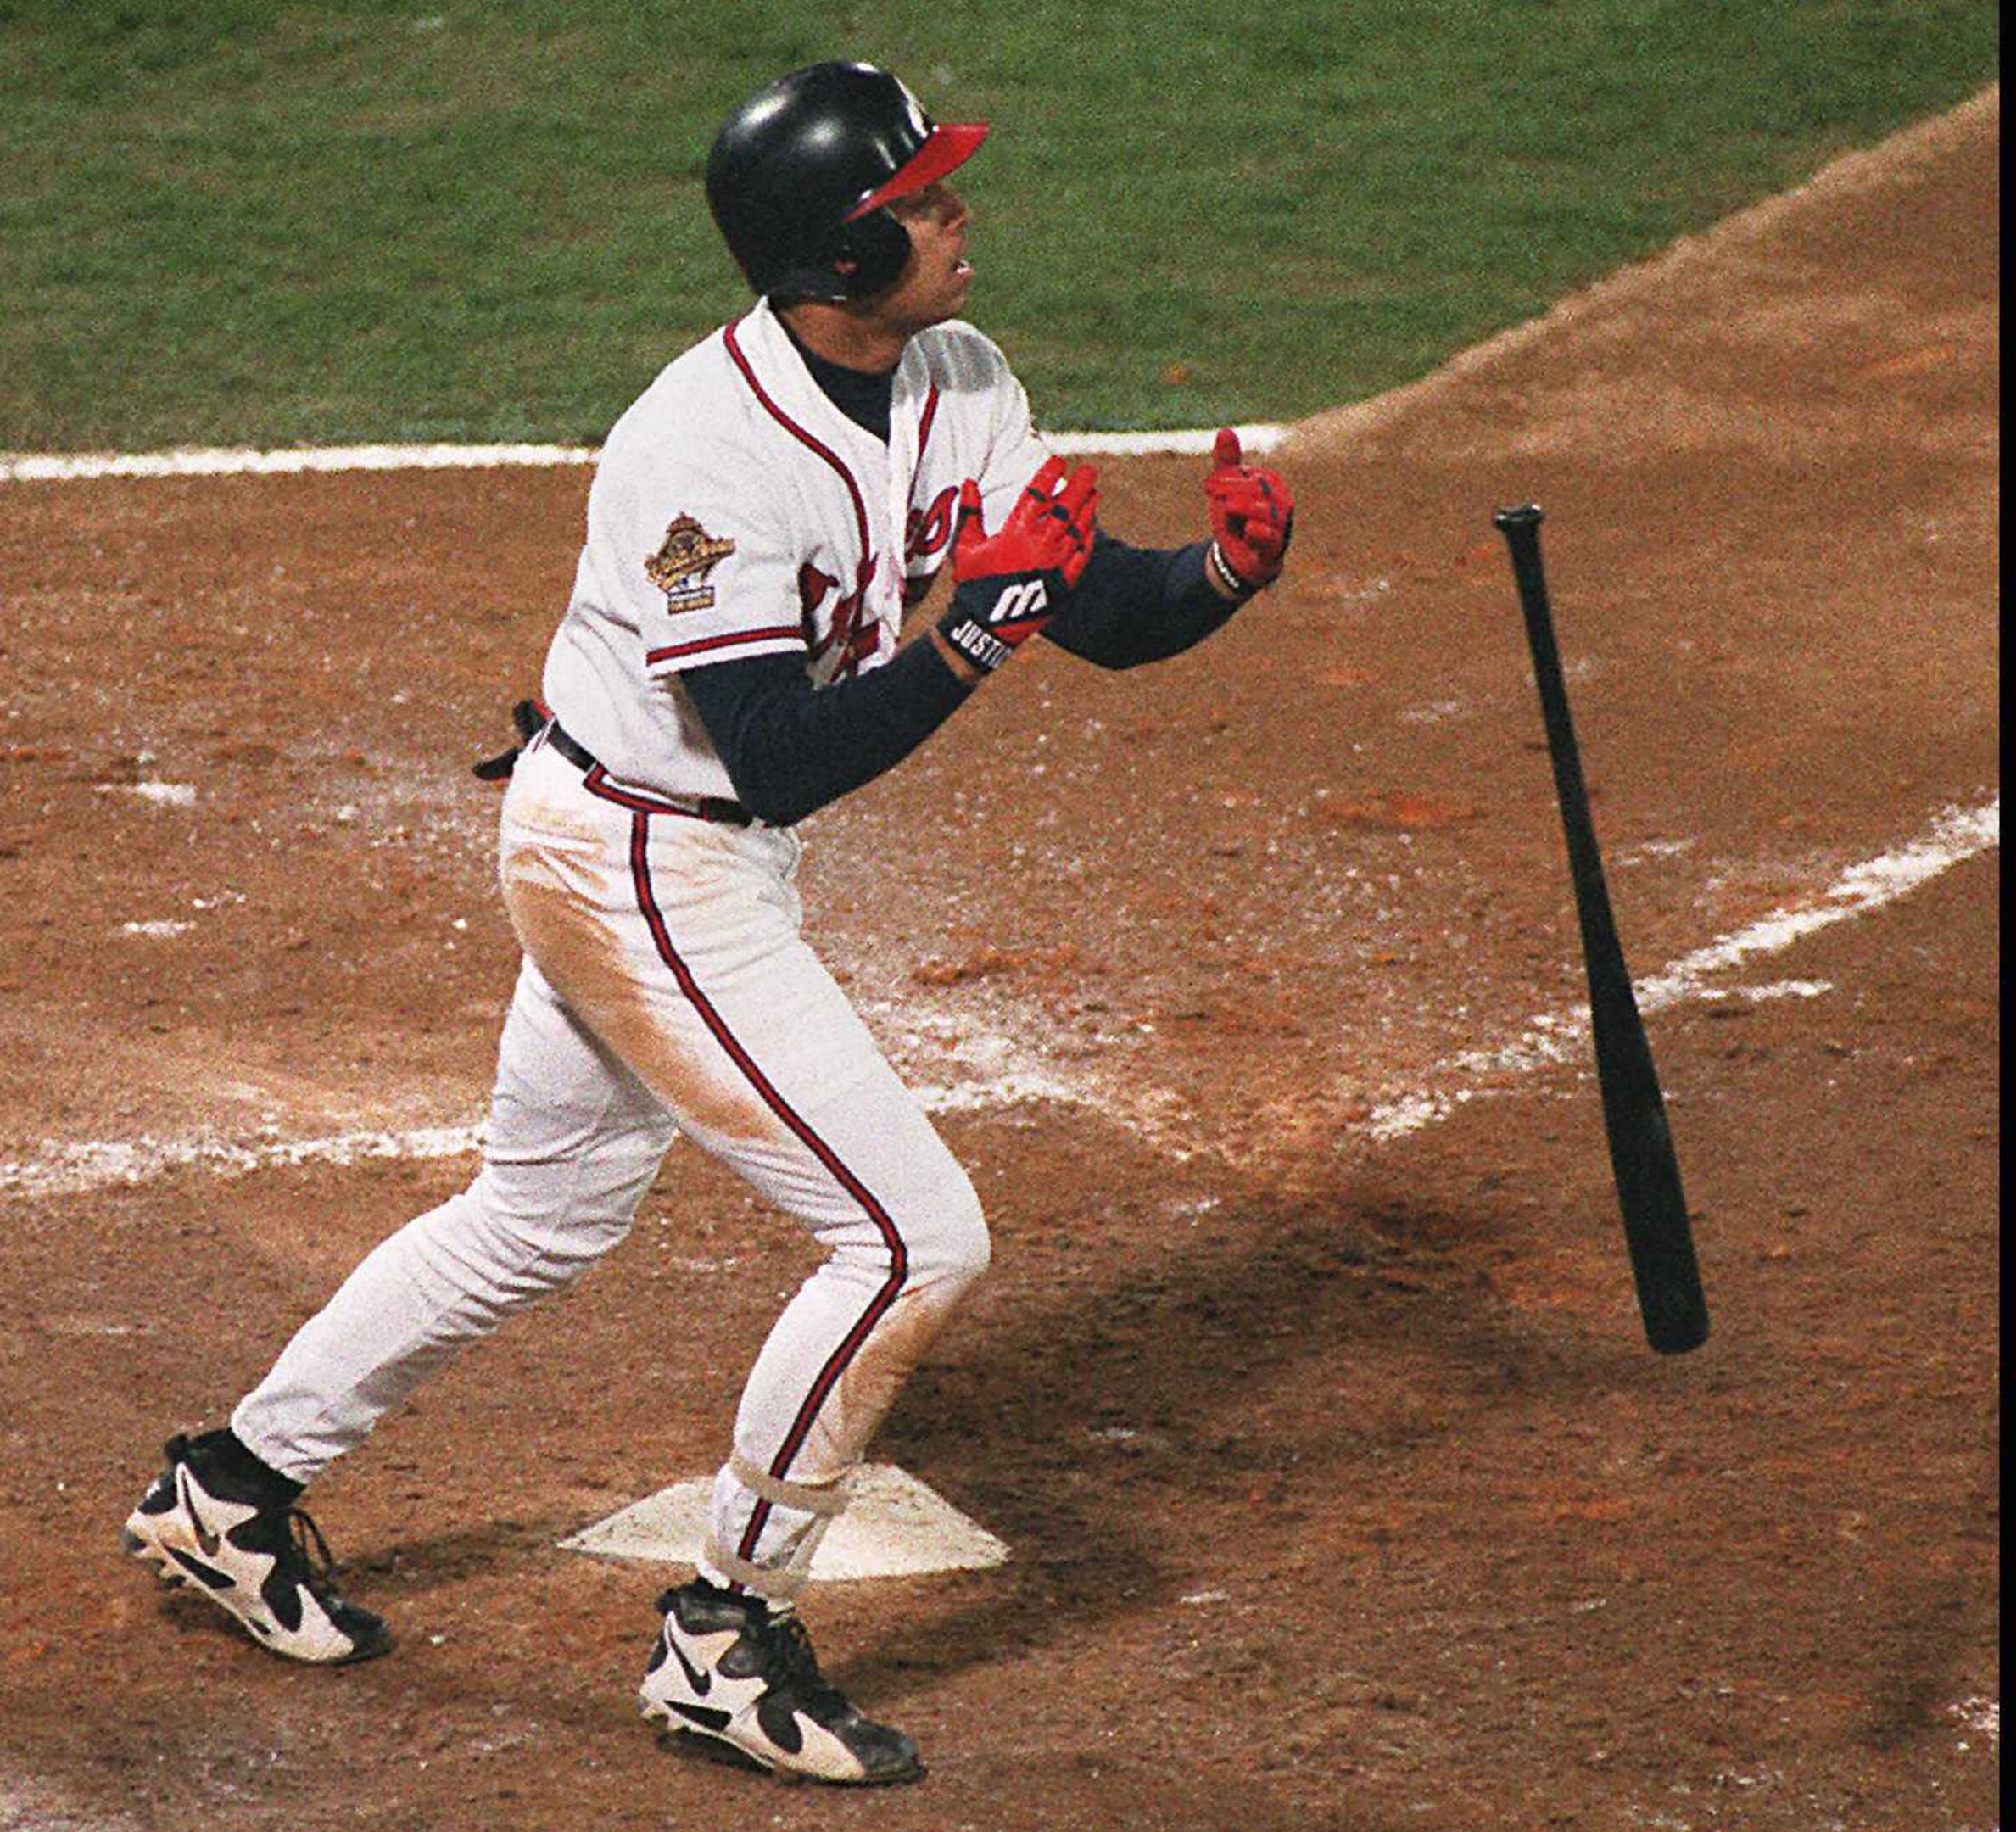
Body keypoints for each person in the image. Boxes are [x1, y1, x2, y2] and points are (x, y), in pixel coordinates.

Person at [123, 61, 1293, 1785]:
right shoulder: (699, 455)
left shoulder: (952, 370)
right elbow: (776, 761)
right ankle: (725, 1637)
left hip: (687, 848)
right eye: (921, 202)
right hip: (639, 855)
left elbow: (1085, 595)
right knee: (910, 1239)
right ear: (835, 260)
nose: (958, 217)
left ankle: (230, 1493)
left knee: (541, 1210)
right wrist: (981, 634)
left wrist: (1211, 577)